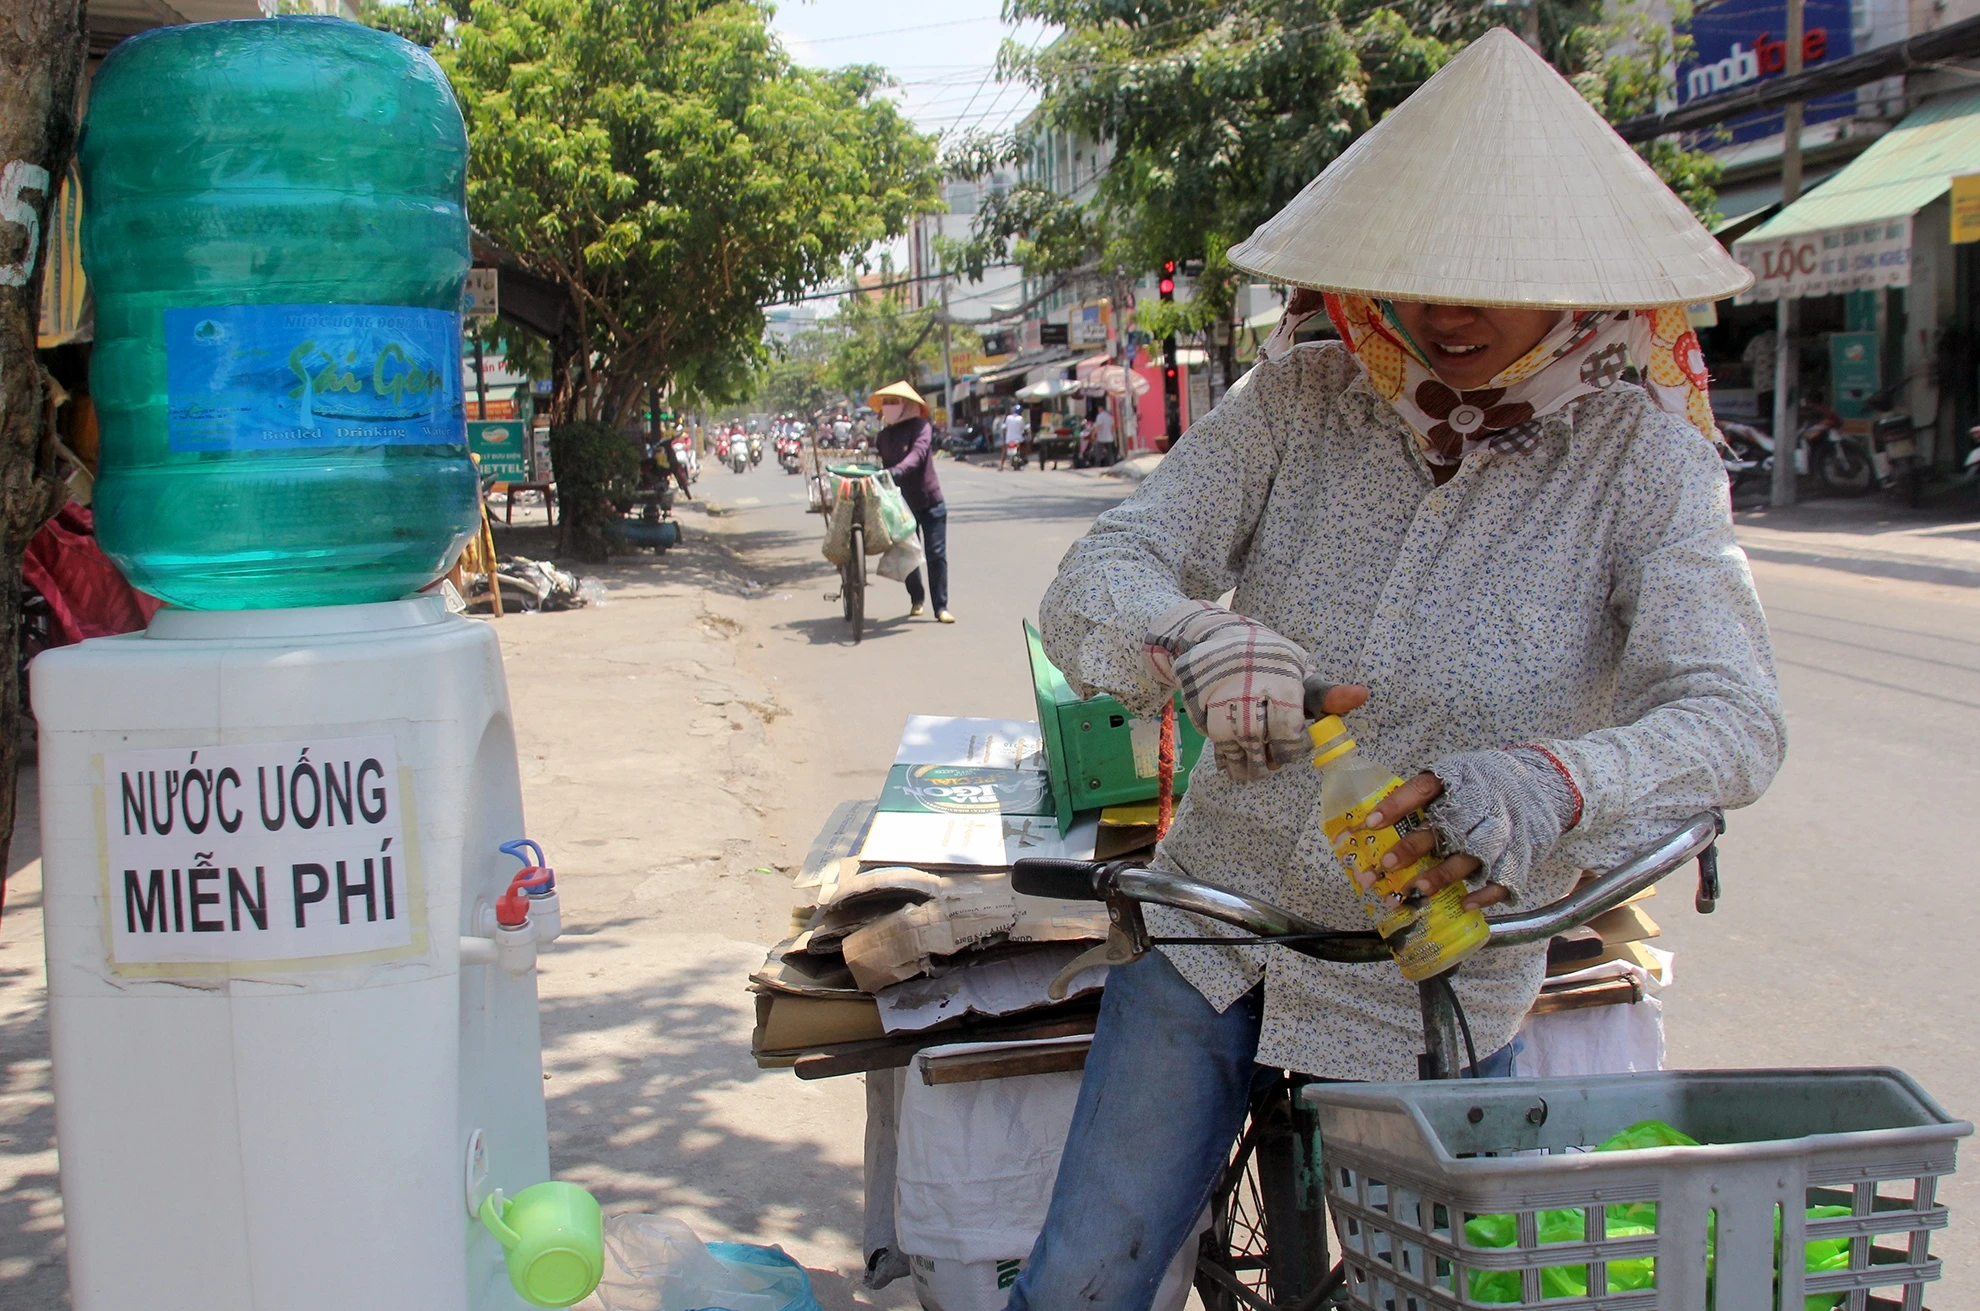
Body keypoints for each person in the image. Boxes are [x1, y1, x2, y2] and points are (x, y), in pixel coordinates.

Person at [1010, 31, 1786, 1311]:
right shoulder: (1297, 398)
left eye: (1497, 279)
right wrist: (1194, 640)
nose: (1447, 312)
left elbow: (1734, 720)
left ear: (1585, 285)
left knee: (1443, 1295)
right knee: (1077, 1283)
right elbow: (1097, 578)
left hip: (1445, 972)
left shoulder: (1648, 462)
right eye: (1418, 273)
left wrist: (1549, 785)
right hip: (1223, 923)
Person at [870, 380, 953, 623]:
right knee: (908, 554)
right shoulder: (883, 437)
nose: (889, 406)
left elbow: (918, 454)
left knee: (936, 554)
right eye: (886, 402)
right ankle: (916, 598)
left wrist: (896, 471)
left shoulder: (921, 427)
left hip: (930, 501)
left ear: (906, 405)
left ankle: (941, 606)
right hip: (901, 505)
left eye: (894, 402)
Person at [1000, 405, 1027, 470]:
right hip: (1019, 440)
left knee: (1004, 450)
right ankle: (1024, 459)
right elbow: (1023, 428)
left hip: (1009, 440)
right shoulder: (1020, 418)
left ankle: (1001, 465)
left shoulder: (1008, 417)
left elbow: (1005, 428)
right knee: (1024, 447)